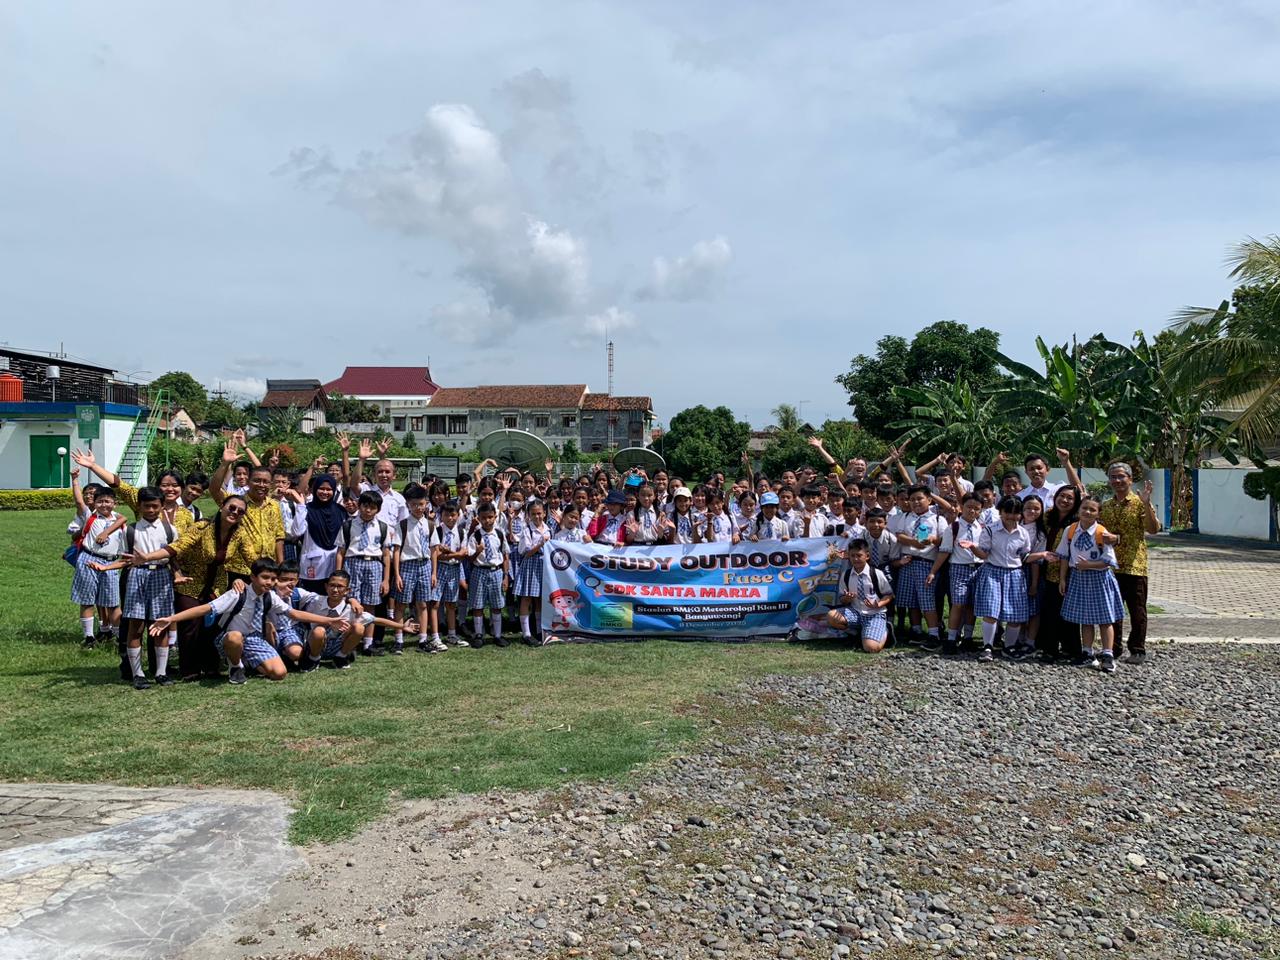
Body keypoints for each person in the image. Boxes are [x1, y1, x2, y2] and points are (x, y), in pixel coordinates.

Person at [150, 558, 287, 685]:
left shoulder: (270, 596)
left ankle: (248, 662)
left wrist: (310, 617)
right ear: (252, 577)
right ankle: (235, 667)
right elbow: (204, 609)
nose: (269, 582)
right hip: (230, 638)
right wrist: (171, 619)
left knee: (279, 673)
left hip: (254, 639)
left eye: (273, 579)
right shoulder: (237, 593)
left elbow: (294, 613)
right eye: (265, 577)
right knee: (235, 637)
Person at [1099, 462, 1161, 665]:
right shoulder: (1106, 506)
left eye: (1121, 476)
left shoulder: (1139, 502)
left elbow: (1153, 529)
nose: (1117, 481)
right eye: (1113, 477)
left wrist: (1146, 504)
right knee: (1113, 610)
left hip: (1135, 566)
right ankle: (1113, 648)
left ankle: (1137, 649)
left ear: (1130, 479)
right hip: (1111, 566)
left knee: (1137, 611)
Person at [1057, 495, 1126, 673]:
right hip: (1078, 578)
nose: (1087, 512)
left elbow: (1109, 561)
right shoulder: (1070, 530)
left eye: (1092, 509)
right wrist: (1063, 578)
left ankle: (1108, 654)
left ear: (1098, 513)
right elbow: (1064, 557)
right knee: (1085, 619)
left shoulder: (1102, 533)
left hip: (1099, 578)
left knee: (1105, 619)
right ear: (1079, 510)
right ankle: (1087, 652)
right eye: (1084, 508)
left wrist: (1089, 565)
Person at [968, 496, 1034, 663]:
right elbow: (984, 554)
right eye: (1007, 512)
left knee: (1015, 613)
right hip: (993, 572)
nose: (1011, 517)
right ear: (1000, 512)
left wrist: (1042, 556)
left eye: (1016, 513)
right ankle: (987, 646)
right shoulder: (990, 530)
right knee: (991, 610)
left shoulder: (1023, 533)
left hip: (1015, 574)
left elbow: (1024, 555)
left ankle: (1009, 646)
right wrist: (972, 548)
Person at [211, 441, 285, 578]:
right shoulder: (237, 503)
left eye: (266, 482)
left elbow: (279, 537)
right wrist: (225, 464)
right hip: (239, 570)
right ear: (248, 481)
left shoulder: (274, 505)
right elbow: (214, 490)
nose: (261, 485)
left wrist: (280, 567)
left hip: (268, 570)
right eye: (257, 481)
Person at [336, 490, 392, 656]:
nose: (368, 510)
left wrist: (386, 579)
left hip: (374, 564)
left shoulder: (382, 527)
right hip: (353, 562)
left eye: (372, 507)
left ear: (378, 510)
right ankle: (349, 643)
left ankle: (368, 644)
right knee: (352, 604)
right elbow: (341, 551)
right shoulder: (348, 525)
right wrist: (339, 574)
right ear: (359, 506)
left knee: (370, 605)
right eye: (365, 506)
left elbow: (386, 554)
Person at [70, 487, 126, 648]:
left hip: (110, 563)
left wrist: (106, 532)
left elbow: (123, 519)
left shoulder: (120, 520)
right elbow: (79, 501)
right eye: (100, 501)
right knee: (87, 600)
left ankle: (118, 636)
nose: (104, 505)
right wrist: (74, 480)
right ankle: (89, 637)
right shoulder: (91, 516)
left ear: (115, 503)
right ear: (94, 503)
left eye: (107, 501)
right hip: (89, 558)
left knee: (113, 602)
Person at [893, 484, 947, 648]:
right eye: (912, 499)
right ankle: (916, 631)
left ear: (929, 500)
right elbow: (899, 535)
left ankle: (933, 634)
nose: (916, 502)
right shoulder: (905, 516)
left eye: (919, 498)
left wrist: (932, 539)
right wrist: (914, 542)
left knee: (926, 600)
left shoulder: (937, 518)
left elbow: (944, 541)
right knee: (911, 600)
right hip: (908, 562)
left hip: (926, 562)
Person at [394, 483, 444, 654]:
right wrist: (397, 574)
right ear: (408, 505)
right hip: (407, 565)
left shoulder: (430, 525)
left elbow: (434, 551)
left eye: (421, 504)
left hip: (425, 565)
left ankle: (423, 639)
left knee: (423, 604)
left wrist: (434, 572)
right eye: (413, 504)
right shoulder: (402, 525)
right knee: (401, 604)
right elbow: (396, 550)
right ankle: (399, 639)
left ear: (426, 504)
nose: (417, 507)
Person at [933, 492, 984, 655]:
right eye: (969, 507)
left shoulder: (982, 528)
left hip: (978, 568)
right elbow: (944, 551)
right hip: (959, 568)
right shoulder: (954, 527)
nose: (972, 511)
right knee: (958, 603)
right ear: (962, 507)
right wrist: (933, 572)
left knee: (971, 604)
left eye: (977, 509)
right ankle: (951, 638)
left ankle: (968, 638)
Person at [826, 539, 894, 653]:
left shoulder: (876, 573)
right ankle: (860, 632)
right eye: (852, 556)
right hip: (856, 612)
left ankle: (884, 629)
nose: (856, 559)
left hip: (874, 614)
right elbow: (842, 598)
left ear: (867, 556)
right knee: (831, 616)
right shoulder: (846, 575)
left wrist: (878, 604)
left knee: (871, 648)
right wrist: (847, 598)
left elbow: (889, 595)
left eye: (859, 555)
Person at [468, 502, 510, 648]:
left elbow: (505, 555)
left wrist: (505, 576)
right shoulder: (476, 535)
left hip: (496, 571)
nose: (487, 520)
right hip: (479, 572)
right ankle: (479, 634)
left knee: (497, 605)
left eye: (490, 517)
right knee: (478, 605)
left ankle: (497, 635)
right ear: (479, 518)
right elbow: (470, 559)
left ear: (495, 517)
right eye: (484, 518)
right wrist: (478, 551)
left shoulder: (499, 534)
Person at [294, 474, 345, 593]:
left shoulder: (340, 511)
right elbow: (297, 531)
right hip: (313, 566)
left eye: (329, 489)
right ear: (315, 489)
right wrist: (301, 506)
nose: (325, 492)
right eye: (321, 488)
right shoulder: (306, 509)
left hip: (334, 564)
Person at [431, 499, 468, 647]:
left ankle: (452, 634)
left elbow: (464, 553)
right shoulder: (437, 531)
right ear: (442, 516)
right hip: (439, 567)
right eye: (447, 515)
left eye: (453, 515)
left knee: (451, 603)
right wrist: (454, 554)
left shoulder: (461, 532)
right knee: (435, 602)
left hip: (454, 569)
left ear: (458, 515)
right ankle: (435, 636)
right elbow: (436, 555)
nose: (450, 518)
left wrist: (449, 552)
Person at [515, 499, 552, 644]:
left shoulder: (548, 528)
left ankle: (538, 629)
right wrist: (540, 543)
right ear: (529, 515)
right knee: (526, 598)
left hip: (543, 564)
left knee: (539, 599)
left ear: (544, 513)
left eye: (539, 513)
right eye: (533, 514)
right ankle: (526, 633)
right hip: (531, 564)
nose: (537, 517)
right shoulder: (527, 530)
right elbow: (526, 552)